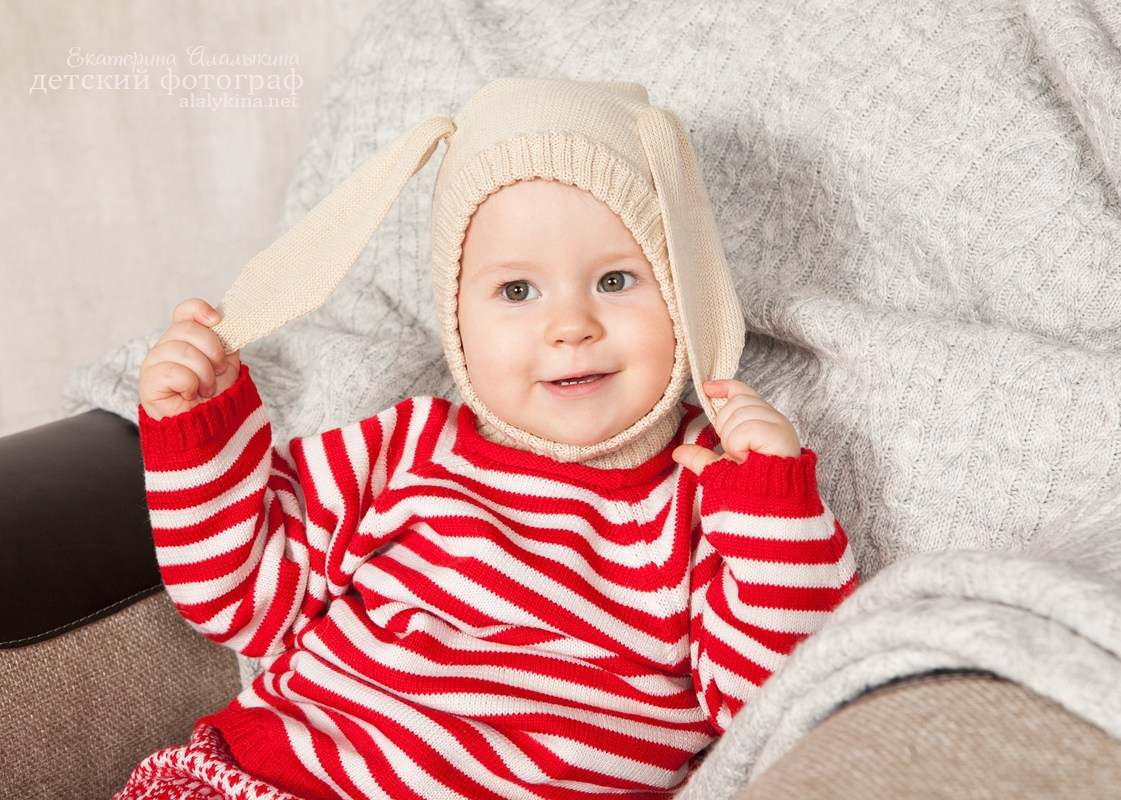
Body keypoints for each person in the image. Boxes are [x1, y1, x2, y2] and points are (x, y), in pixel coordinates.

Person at [120, 79, 858, 800]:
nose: (570, 326)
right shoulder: (406, 447)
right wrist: (199, 426)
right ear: (457, 323)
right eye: (516, 292)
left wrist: (773, 503)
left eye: (615, 280)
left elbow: (769, 709)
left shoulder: (708, 496)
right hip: (279, 774)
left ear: (686, 293)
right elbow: (240, 597)